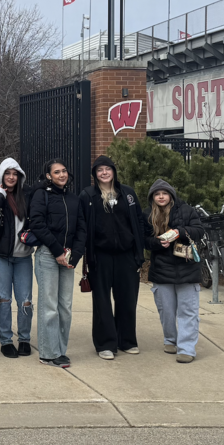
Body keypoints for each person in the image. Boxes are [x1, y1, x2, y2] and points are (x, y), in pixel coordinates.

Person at [79, 155, 147, 360]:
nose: (104, 173)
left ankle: (126, 340)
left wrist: (139, 252)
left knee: (127, 299)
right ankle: (105, 344)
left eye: (107, 169)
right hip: (100, 255)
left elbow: (139, 222)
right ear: (95, 174)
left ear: (113, 171)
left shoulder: (128, 194)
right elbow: (82, 226)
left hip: (126, 255)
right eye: (99, 170)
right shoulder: (87, 195)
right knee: (102, 302)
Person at [0, 157, 35, 358]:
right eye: (7, 173)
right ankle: (6, 340)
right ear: (2, 176)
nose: (11, 177)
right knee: (4, 300)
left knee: (25, 300)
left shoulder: (28, 195)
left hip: (24, 257)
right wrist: (0, 194)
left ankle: (25, 339)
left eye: (15, 174)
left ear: (20, 177)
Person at [30, 159, 84, 368]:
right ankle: (48, 352)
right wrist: (57, 251)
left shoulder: (73, 199)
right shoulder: (41, 195)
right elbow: (37, 224)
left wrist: (76, 255)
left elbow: (81, 228)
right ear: (48, 176)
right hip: (47, 256)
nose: (62, 175)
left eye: (64, 171)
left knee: (65, 307)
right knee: (49, 306)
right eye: (56, 172)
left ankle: (60, 350)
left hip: (68, 258)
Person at [145, 180, 205, 364]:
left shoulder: (187, 211)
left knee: (188, 310)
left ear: (171, 195)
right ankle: (170, 340)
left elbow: (199, 231)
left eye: (164, 193)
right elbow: (143, 240)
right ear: (152, 198)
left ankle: (186, 348)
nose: (161, 196)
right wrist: (156, 243)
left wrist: (180, 231)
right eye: (157, 194)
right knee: (167, 311)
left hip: (187, 268)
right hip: (162, 270)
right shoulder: (147, 215)